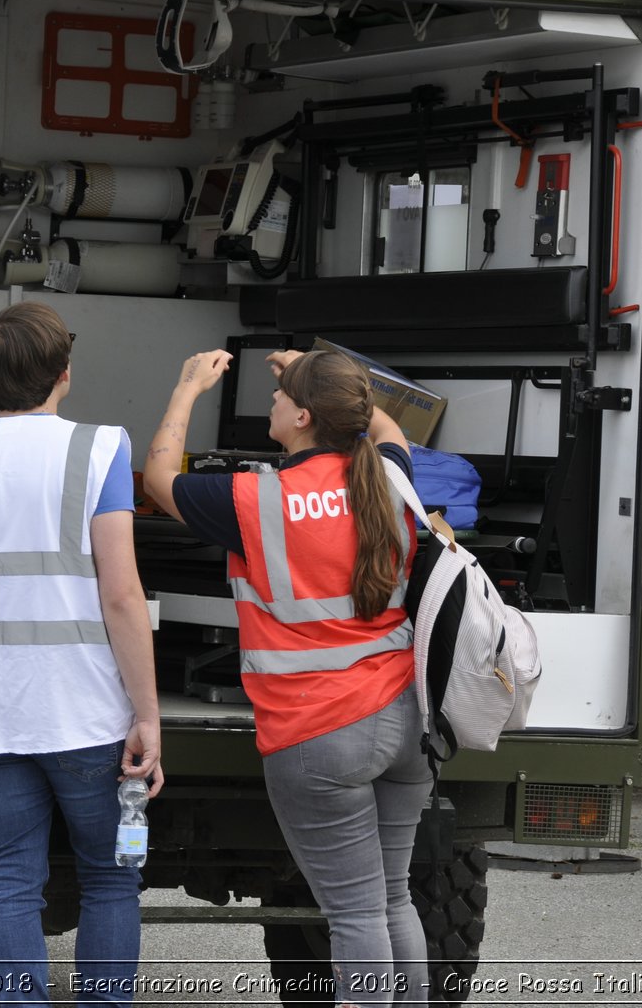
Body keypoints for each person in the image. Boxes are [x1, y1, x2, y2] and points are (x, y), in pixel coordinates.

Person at [144, 347, 429, 1007]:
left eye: (281, 395)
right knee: (393, 898)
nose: (268, 400)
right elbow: (389, 430)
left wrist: (189, 388)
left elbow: (159, 477)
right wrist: (337, 382)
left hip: (320, 730)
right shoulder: (388, 478)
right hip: (404, 720)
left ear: (301, 416)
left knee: (356, 915)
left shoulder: (256, 498)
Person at [0, 301, 162, 1006]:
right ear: (64, 375)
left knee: (12, 875)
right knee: (110, 874)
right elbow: (122, 596)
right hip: (84, 710)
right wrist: (148, 714)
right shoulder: (101, 448)